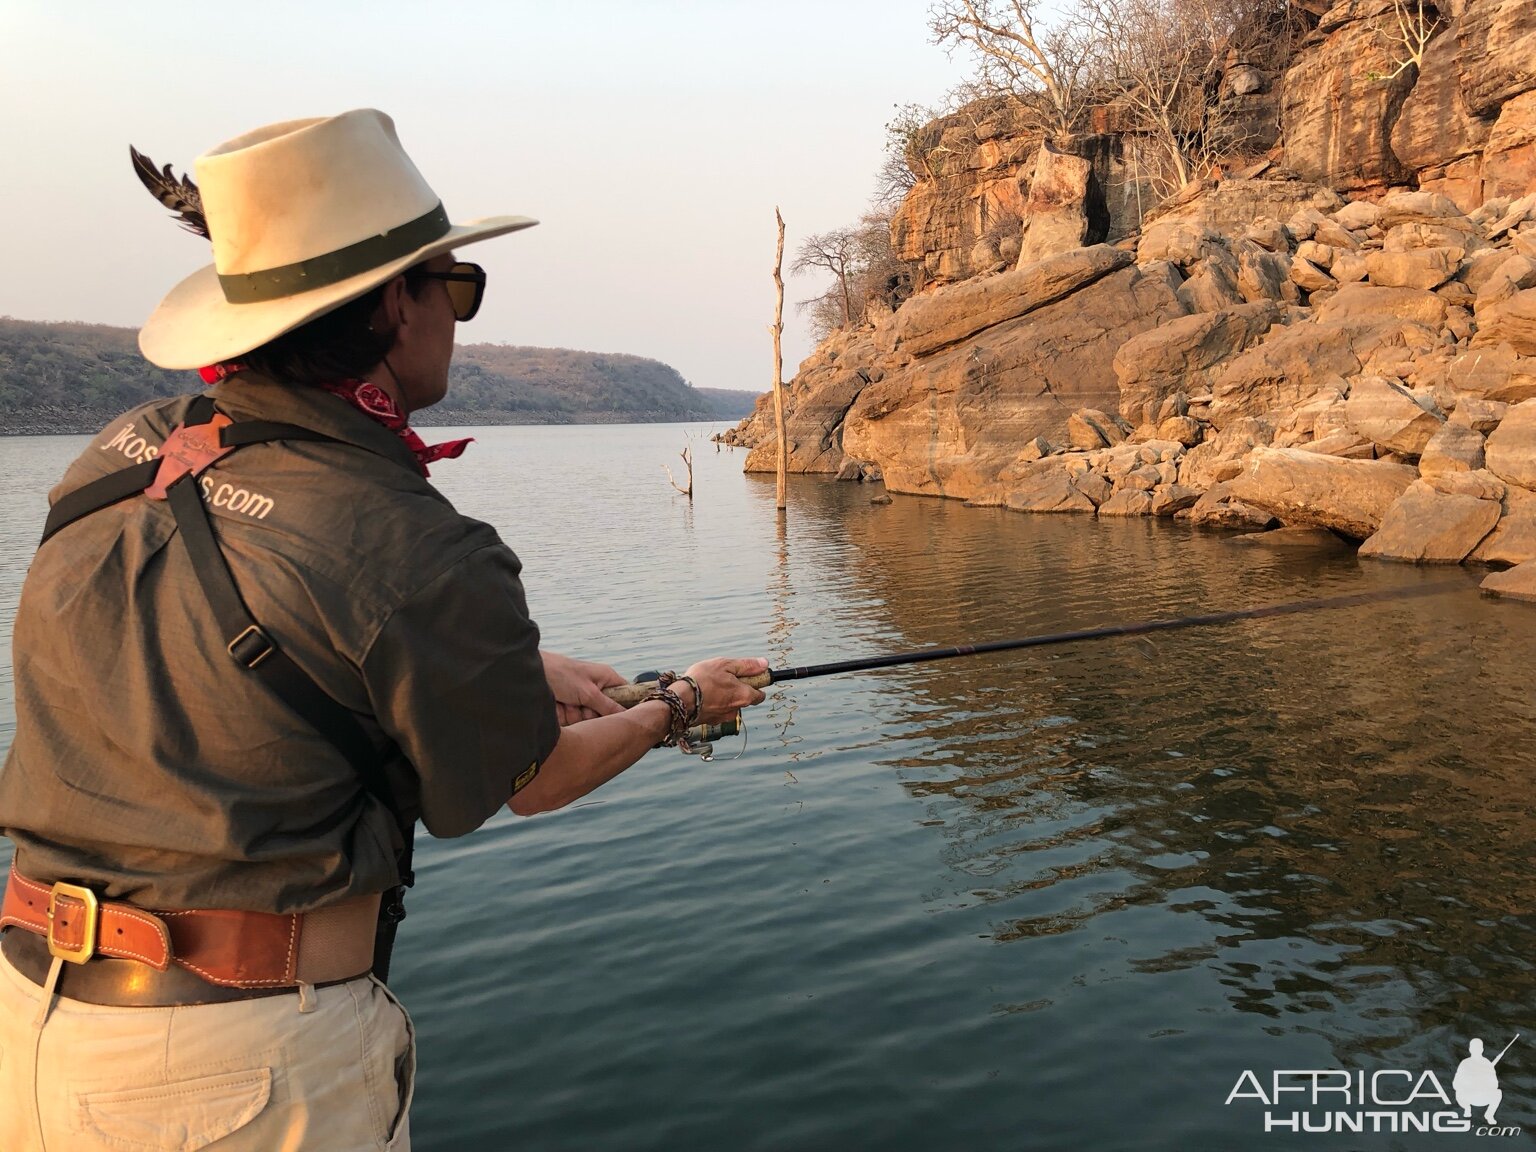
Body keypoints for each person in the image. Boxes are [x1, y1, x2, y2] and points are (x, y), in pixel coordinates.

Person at [0, 108, 767, 1151]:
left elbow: (241, 630)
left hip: (31, 1022)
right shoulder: (419, 548)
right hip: (234, 1076)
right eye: (457, 285)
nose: (465, 317)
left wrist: (513, 667)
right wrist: (680, 702)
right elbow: (531, 781)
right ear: (396, 304)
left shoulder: (120, 452)